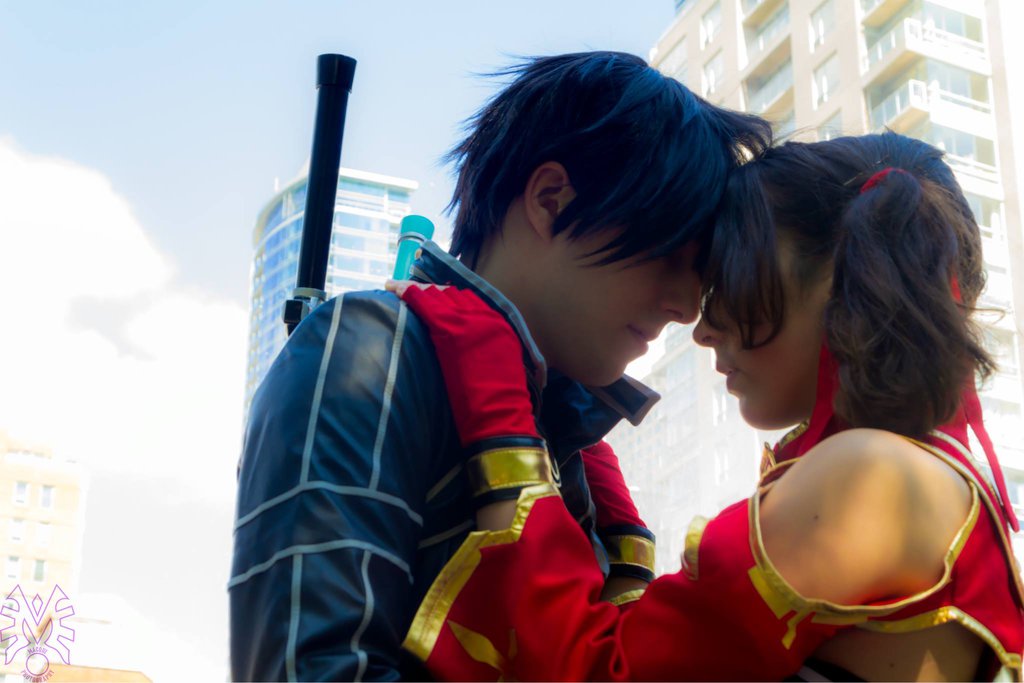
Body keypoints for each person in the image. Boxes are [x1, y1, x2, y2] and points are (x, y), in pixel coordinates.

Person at [393, 131, 1024, 681]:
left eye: (732, 276)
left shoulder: (870, 474)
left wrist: (494, 386)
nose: (703, 327)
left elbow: (591, 671)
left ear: (844, 275)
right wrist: (602, 490)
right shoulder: (923, 473)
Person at [229, 51, 772, 681]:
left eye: (700, 276)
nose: (685, 307)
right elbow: (313, 670)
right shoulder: (371, 349)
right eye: (669, 254)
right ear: (551, 200)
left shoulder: (566, 436)